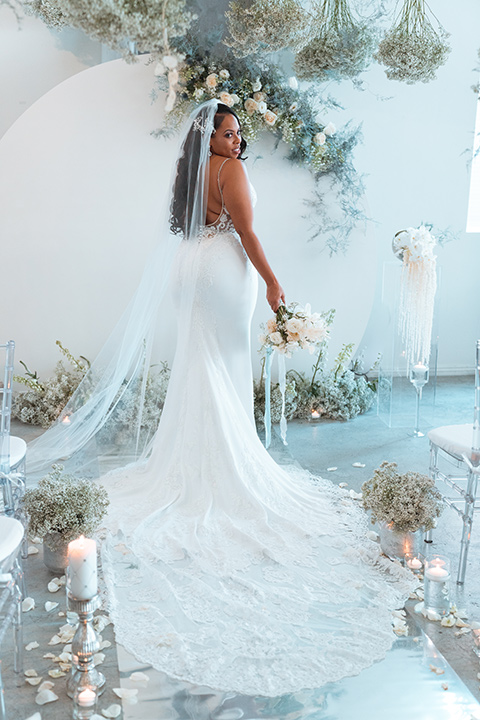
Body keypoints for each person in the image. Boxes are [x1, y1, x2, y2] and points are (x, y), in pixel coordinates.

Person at [29, 100, 415, 696]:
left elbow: (200, 224)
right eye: (226, 133)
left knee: (200, 363)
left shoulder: (191, 174)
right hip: (223, 270)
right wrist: (273, 279)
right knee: (221, 364)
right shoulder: (230, 174)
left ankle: (189, 456)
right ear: (209, 137)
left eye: (239, 134)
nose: (235, 142)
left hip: (192, 265)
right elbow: (250, 232)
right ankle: (224, 465)